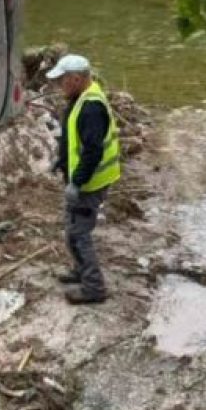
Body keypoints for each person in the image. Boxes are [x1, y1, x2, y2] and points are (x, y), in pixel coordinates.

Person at [46, 54, 121, 305]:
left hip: (90, 183)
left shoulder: (90, 108)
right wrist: (61, 161)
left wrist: (77, 182)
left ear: (76, 79)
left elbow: (92, 151)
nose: (59, 86)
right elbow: (74, 139)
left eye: (62, 80)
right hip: (84, 179)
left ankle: (94, 287)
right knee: (72, 230)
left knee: (79, 234)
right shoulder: (82, 97)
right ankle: (80, 270)